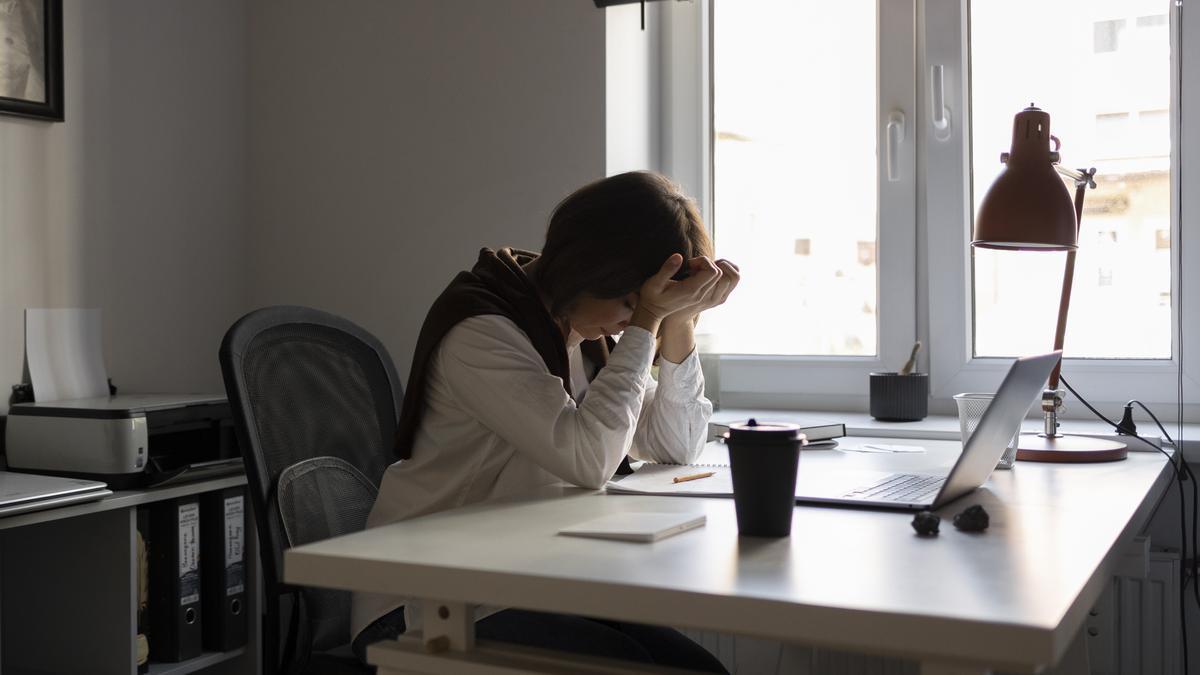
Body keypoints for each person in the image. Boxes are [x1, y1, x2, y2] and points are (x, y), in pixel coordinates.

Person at [351, 171, 739, 672]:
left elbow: (675, 445)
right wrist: (646, 324)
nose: (630, 320)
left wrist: (678, 320)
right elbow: (588, 459)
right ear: (591, 268)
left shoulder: (586, 334)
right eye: (629, 301)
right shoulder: (483, 330)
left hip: (519, 580)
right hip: (423, 599)